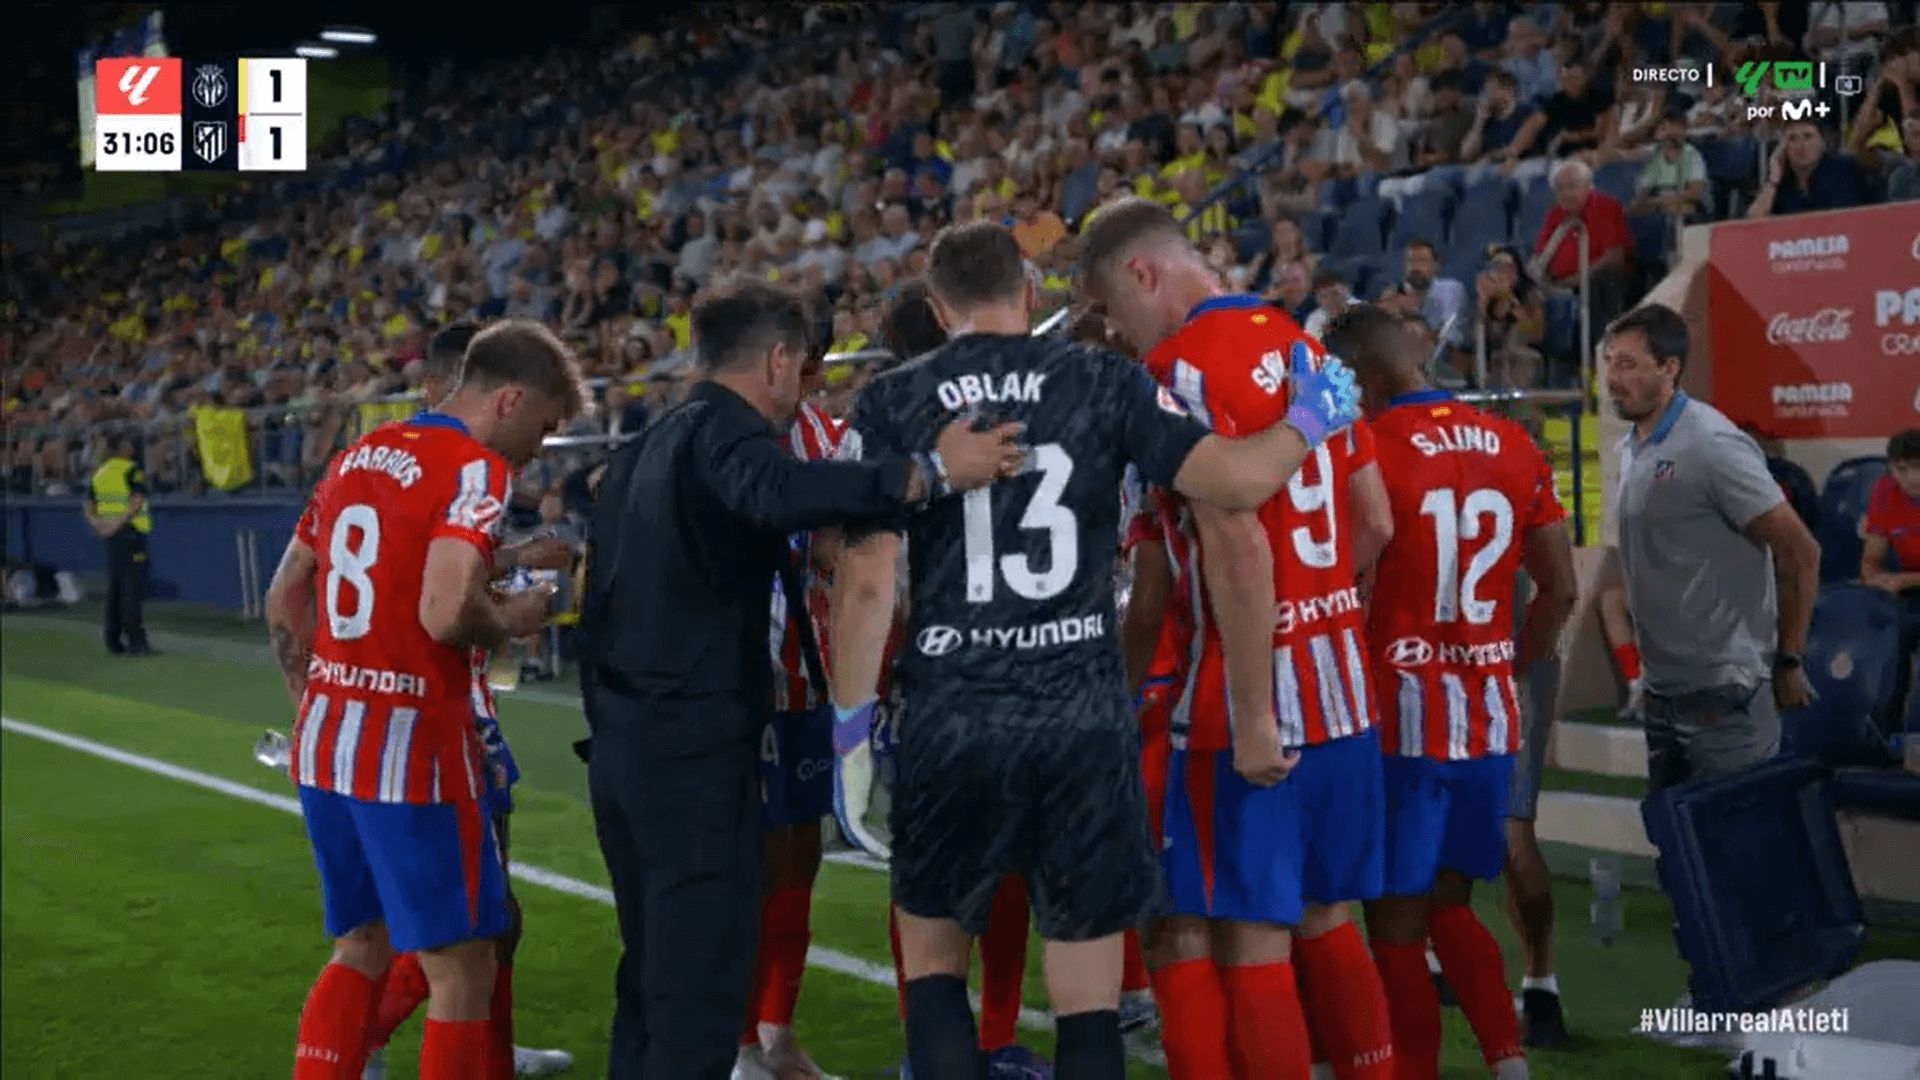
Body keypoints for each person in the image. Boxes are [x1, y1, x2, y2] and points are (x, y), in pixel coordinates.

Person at [827, 221, 1361, 1079]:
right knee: (1087, 993)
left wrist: (850, 731)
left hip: (953, 713)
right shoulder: (1104, 379)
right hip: (1079, 717)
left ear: (937, 306)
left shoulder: (892, 400)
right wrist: (1308, 417)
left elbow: (864, 582)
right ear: (1029, 292)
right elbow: (1234, 485)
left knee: (933, 974)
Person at [578, 280, 1024, 1080]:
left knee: (650, 978)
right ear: (780, 360)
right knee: (698, 989)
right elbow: (774, 489)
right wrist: (924, 471)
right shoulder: (727, 431)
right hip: (689, 754)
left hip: (627, 747)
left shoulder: (644, 446)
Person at [1079, 198, 1395, 1080]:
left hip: (1243, 694)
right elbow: (1373, 520)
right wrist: (1323, 613)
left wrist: (1255, 708)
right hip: (1341, 681)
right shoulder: (1308, 349)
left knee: (1251, 937)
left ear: (1143, 273)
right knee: (1330, 918)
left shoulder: (1175, 370)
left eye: (1112, 309)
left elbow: (1234, 540)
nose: (1118, 332)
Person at [263, 319, 585, 1079]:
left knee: (361, 948)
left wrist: (316, 708)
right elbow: (445, 613)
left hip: (326, 739)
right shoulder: (474, 469)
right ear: (508, 400)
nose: (536, 451)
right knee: (463, 967)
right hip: (413, 753)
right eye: (541, 428)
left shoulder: (357, 456)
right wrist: (516, 617)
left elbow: (285, 597)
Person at [1323, 303, 1577, 1080]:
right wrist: (1507, 663)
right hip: (1487, 715)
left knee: (1396, 927)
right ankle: (1507, 1059)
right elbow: (1560, 588)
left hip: (1399, 715)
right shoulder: (1513, 441)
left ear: (1363, 378)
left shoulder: (1369, 447)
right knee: (1452, 904)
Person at [356, 323, 575, 1079]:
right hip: (437, 725)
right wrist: (516, 613)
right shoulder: (459, 466)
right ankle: (371, 1040)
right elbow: (444, 605)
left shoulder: (388, 465)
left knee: (486, 922)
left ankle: (488, 1052)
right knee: (466, 925)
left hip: (425, 718)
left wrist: (510, 559)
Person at [866, 280, 1057, 1078]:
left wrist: (867, 694)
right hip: (1025, 684)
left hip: (934, 693)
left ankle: (936, 1047)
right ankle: (994, 1036)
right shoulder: (1036, 412)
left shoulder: (886, 425)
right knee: (1006, 873)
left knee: (930, 883)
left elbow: (877, 581)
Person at [1605, 305, 1820, 793]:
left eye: (1628, 364)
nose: (1613, 378)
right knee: (1678, 853)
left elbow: (1801, 552)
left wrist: (1789, 660)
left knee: (1739, 853)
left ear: (1669, 368)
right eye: (1610, 362)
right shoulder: (1634, 446)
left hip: (1726, 695)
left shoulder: (1712, 444)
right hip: (1663, 692)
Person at [735, 327, 848, 1080]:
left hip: (804, 674)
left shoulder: (831, 439)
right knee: (747, 862)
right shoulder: (722, 429)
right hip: (733, 682)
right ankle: (741, 1041)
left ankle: (777, 1033)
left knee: (798, 858)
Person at [86, 433, 152, 656]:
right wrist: (118, 522)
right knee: (131, 588)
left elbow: (88, 504)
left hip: (111, 535)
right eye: (127, 442)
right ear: (121, 448)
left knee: (115, 587)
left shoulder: (99, 473)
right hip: (130, 533)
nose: (131, 445)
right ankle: (136, 641)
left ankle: (112, 640)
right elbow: (137, 500)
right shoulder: (131, 470)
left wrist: (99, 523)